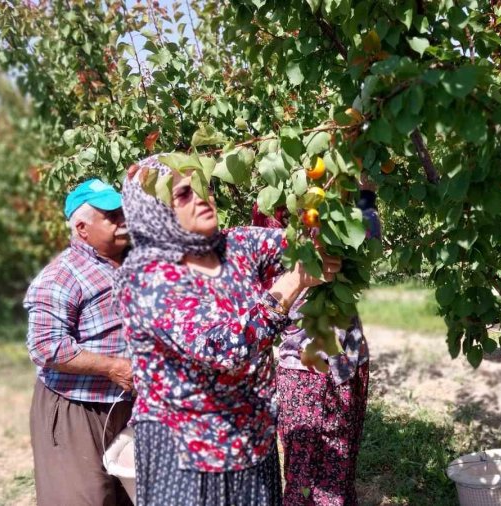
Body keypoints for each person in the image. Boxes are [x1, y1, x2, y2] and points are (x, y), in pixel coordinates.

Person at [115, 155, 341, 506]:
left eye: (202, 186)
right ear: (154, 211)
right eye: (184, 194)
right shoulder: (146, 278)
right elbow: (221, 348)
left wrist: (348, 174)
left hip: (252, 442)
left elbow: (310, 238)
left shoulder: (233, 245)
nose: (201, 197)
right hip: (188, 455)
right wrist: (293, 282)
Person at [253, 177, 379, 506]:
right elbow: (271, 282)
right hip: (304, 370)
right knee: (305, 477)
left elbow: (368, 239)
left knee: (341, 466)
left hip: (350, 359)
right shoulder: (275, 211)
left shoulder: (336, 203)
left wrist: (365, 196)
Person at [24, 178, 134, 506]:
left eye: (122, 211)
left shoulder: (132, 262)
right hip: (77, 408)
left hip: (125, 404)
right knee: (83, 498)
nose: (122, 219)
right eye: (111, 215)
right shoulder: (62, 277)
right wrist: (113, 367)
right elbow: (44, 346)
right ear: (83, 228)